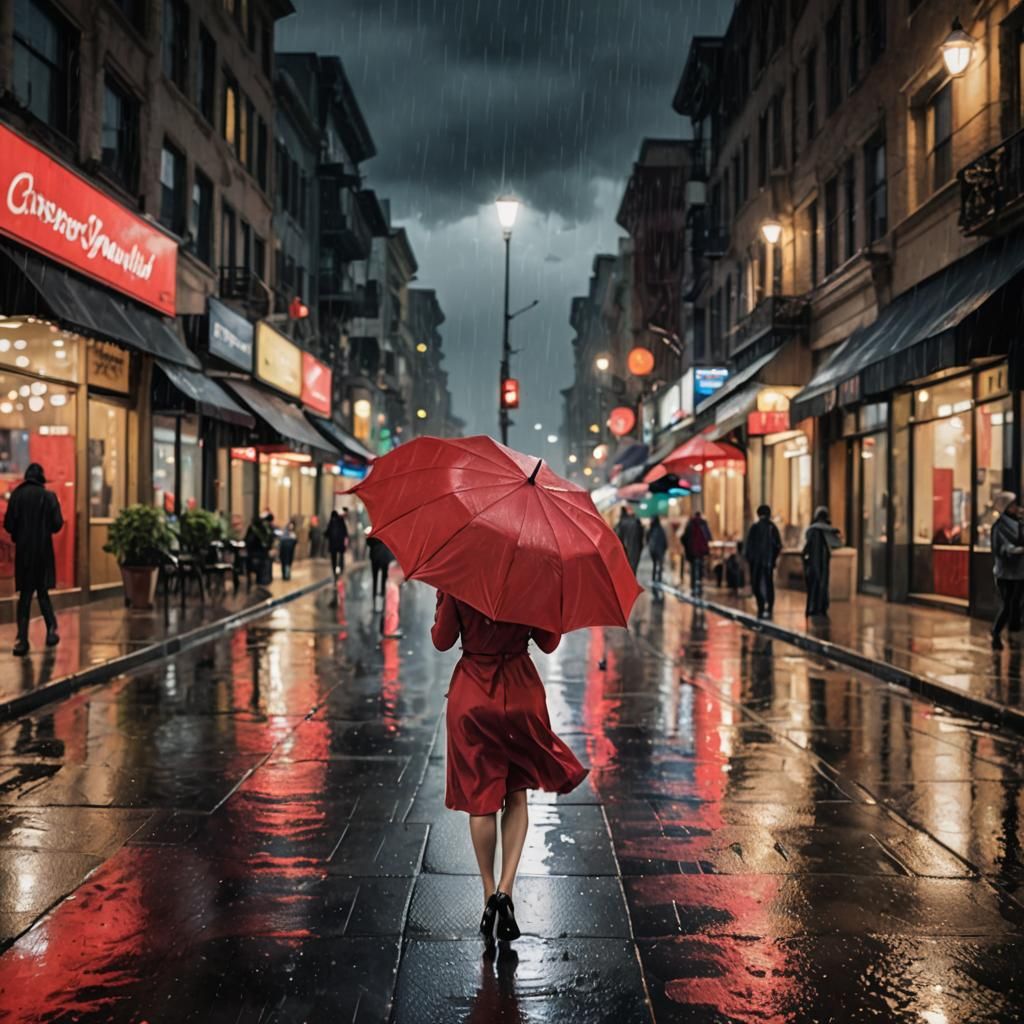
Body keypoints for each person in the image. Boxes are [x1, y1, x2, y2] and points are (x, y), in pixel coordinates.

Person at [431, 590, 588, 948]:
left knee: (481, 801)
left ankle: (488, 893)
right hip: (520, 694)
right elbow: (548, 643)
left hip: (473, 696)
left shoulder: (460, 579)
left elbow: (442, 641)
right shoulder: (531, 578)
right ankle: (506, 890)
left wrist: (444, 601)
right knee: (517, 793)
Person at [3, 463, 63, 656]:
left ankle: (22, 639)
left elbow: (9, 524)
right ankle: (51, 630)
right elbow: (57, 524)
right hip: (43, 551)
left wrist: (20, 534)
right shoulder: (49, 496)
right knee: (42, 592)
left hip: (24, 552)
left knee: (25, 596)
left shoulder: (17, 496)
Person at [990, 491, 1024, 649]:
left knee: (1015, 602)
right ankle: (996, 631)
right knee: (1007, 604)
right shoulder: (999, 526)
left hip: (1018, 572)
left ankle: (1014, 630)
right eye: (1013, 505)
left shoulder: (1018, 522)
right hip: (1005, 573)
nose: (1016, 508)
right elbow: (1002, 548)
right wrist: (1016, 550)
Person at [745, 504, 783, 618]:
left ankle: (761, 605)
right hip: (768, 561)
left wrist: (750, 559)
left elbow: (749, 546)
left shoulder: (755, 527)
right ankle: (769, 606)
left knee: (756, 583)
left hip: (757, 562)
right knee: (769, 583)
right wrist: (773, 558)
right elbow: (778, 545)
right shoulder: (773, 527)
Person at [803, 506, 841, 618]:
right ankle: (821, 607)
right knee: (822, 585)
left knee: (813, 586)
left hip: (813, 563)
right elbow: (836, 544)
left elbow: (806, 548)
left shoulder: (812, 530)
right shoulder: (827, 530)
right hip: (823, 562)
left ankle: (813, 607)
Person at [681, 511, 712, 597]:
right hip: (701, 551)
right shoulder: (703, 523)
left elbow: (683, 537)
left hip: (692, 551)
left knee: (693, 569)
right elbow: (709, 537)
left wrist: (687, 547)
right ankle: (699, 586)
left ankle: (693, 587)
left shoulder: (690, 524)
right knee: (700, 568)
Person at [245, 513, 274, 586]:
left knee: (252, 571)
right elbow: (269, 540)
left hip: (254, 554)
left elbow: (247, 540)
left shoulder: (253, 529)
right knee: (261, 575)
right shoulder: (265, 528)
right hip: (262, 554)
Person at [614, 506, 644, 574]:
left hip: (624, 549)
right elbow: (641, 536)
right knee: (633, 568)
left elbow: (618, 537)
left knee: (626, 569)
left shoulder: (621, 523)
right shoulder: (636, 522)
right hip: (635, 548)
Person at [368, 535, 395, 604]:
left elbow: (369, 543)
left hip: (375, 556)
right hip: (384, 557)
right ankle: (382, 595)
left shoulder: (375, 531)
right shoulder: (388, 532)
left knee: (375, 577)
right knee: (384, 577)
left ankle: (375, 595)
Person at [326, 510, 349, 578]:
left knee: (334, 558)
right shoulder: (341, 521)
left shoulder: (331, 522)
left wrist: (325, 534)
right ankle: (341, 568)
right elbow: (345, 532)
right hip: (340, 545)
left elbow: (327, 532)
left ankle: (334, 571)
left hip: (333, 546)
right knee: (341, 556)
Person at [647, 515, 667, 584]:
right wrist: (665, 548)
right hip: (660, 550)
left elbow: (647, 538)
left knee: (655, 564)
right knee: (660, 565)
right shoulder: (661, 529)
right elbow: (664, 540)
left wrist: (650, 547)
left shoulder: (651, 529)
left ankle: (653, 578)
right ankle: (659, 579)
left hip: (653, 550)